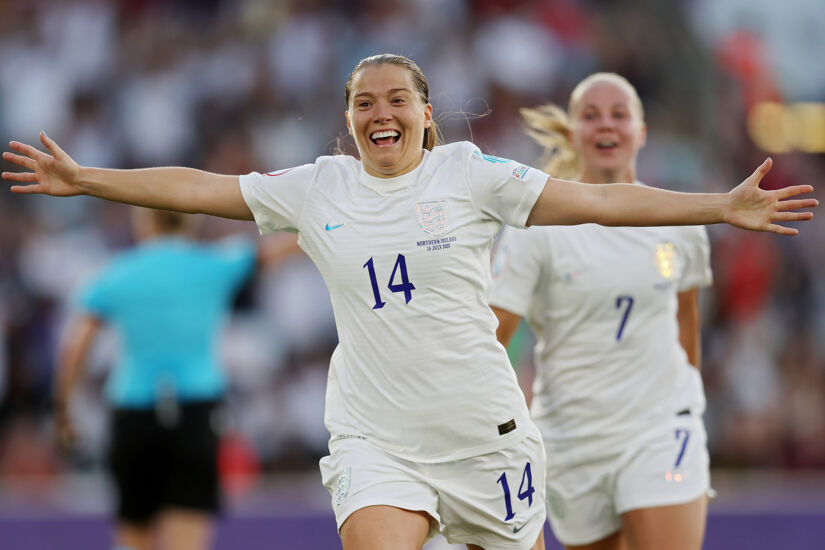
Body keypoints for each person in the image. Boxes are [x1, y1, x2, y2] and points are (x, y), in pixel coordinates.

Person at [2, 54, 816, 550]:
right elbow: (197, 186)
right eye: (363, 101)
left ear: (426, 117)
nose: (379, 112)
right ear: (348, 121)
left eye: (396, 99)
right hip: (375, 439)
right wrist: (86, 181)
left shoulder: (470, 174)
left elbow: (604, 204)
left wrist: (718, 205)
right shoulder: (315, 187)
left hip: (486, 437)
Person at [488, 72, 730, 550]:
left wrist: (686, 407)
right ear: (573, 132)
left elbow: (687, 319)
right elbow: (494, 336)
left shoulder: (679, 221)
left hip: (659, 425)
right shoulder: (535, 228)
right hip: (572, 437)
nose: (606, 125)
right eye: (591, 115)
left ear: (640, 132)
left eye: (620, 114)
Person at [53, 207, 298, 550]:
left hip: (133, 409)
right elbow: (279, 248)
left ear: (144, 221)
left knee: (134, 536)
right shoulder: (213, 264)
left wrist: (63, 408)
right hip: (194, 411)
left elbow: (76, 343)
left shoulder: (120, 272)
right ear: (190, 220)